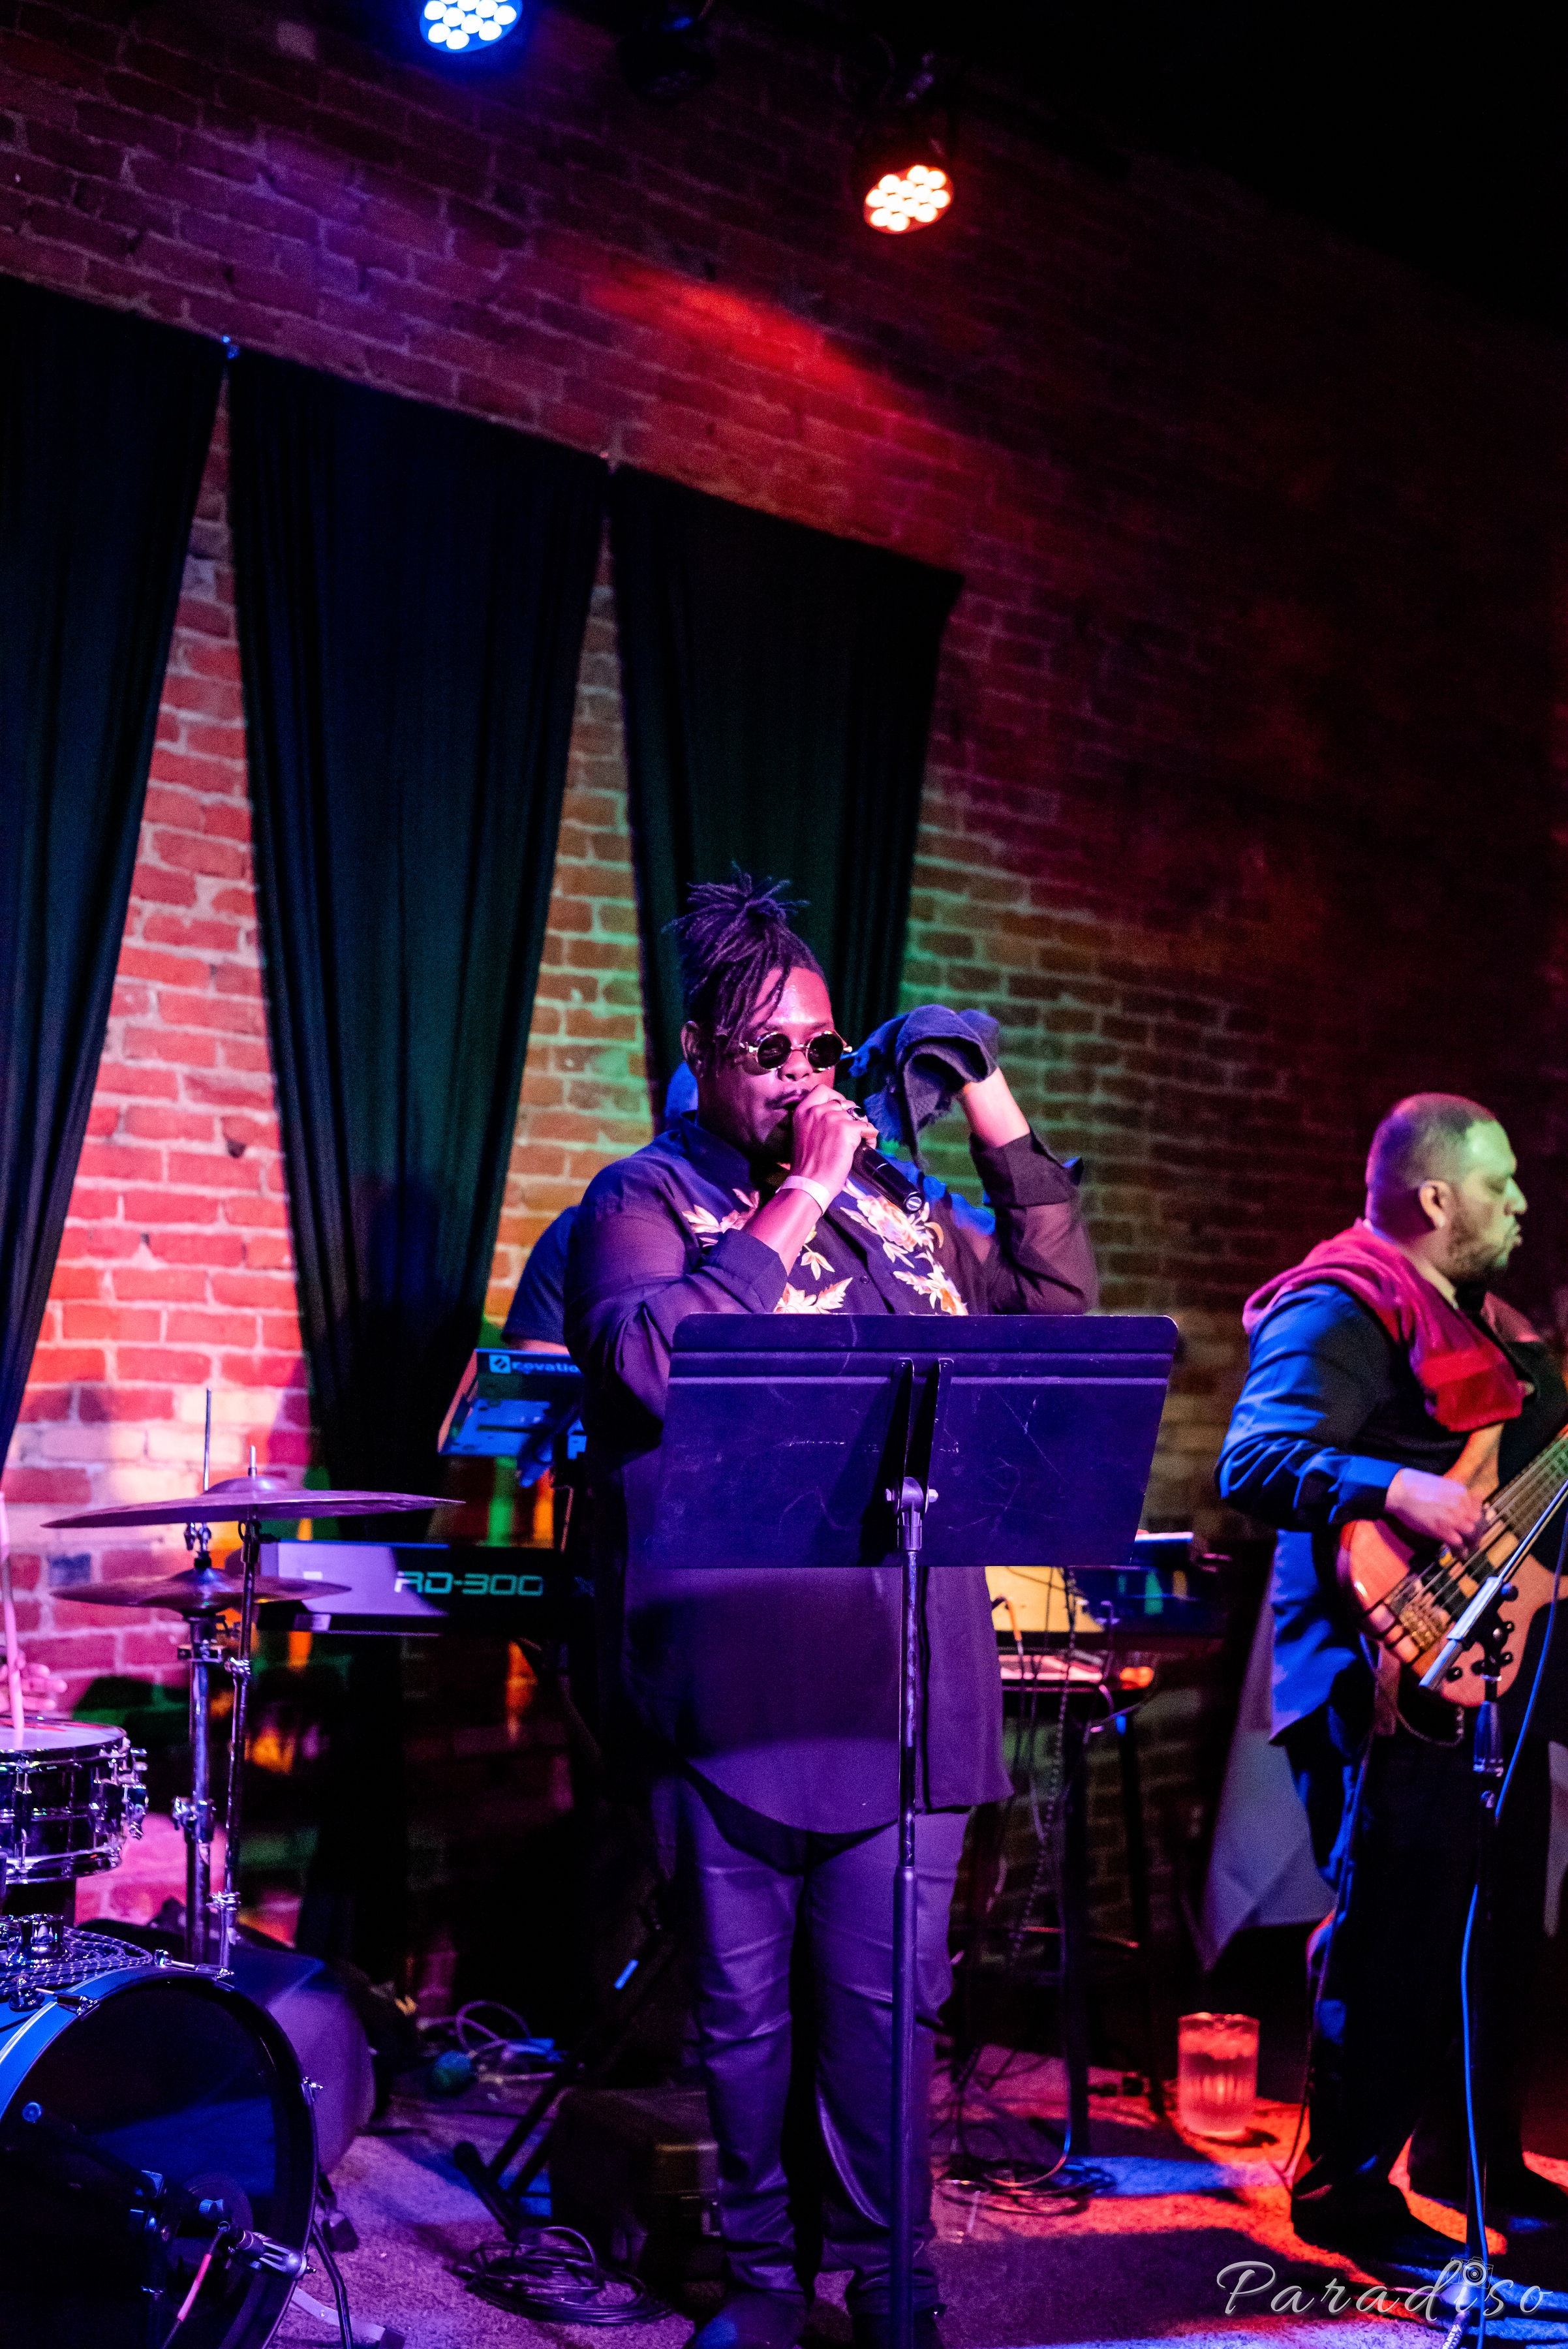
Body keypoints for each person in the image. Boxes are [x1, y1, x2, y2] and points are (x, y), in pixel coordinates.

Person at [564, 878, 1096, 2349]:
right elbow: (649, 1364)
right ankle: (757, 2283)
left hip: (903, 1676)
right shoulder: (642, 1201)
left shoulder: (901, 1212)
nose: (801, 1077)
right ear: (698, 1053)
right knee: (742, 2017)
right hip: (735, 1679)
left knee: (887, 2008)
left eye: (820, 1049)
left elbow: (1054, 1317)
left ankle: (888, 2279)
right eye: (767, 1052)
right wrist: (793, 1201)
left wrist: (985, 1098)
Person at [1217, 1092, 1568, 2280]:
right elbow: (1255, 1457)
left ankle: (1475, 2166)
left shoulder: (1478, 1315)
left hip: (1492, 1661)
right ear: (1435, 1196)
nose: (1521, 1204)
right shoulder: (1341, 1303)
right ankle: (1346, 2193)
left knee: (1495, 1925)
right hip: (1378, 1669)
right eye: (1499, 1184)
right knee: (1393, 1939)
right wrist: (1395, 1487)